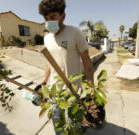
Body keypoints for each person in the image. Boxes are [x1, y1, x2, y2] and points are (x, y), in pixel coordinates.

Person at [38, 0, 94, 134]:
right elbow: (50, 62)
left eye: (52, 17)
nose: (48, 22)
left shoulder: (75, 33)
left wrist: (92, 88)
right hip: (55, 95)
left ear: (63, 16)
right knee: (59, 128)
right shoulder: (47, 38)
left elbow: (86, 62)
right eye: (46, 18)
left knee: (75, 128)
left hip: (74, 92)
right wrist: (44, 82)